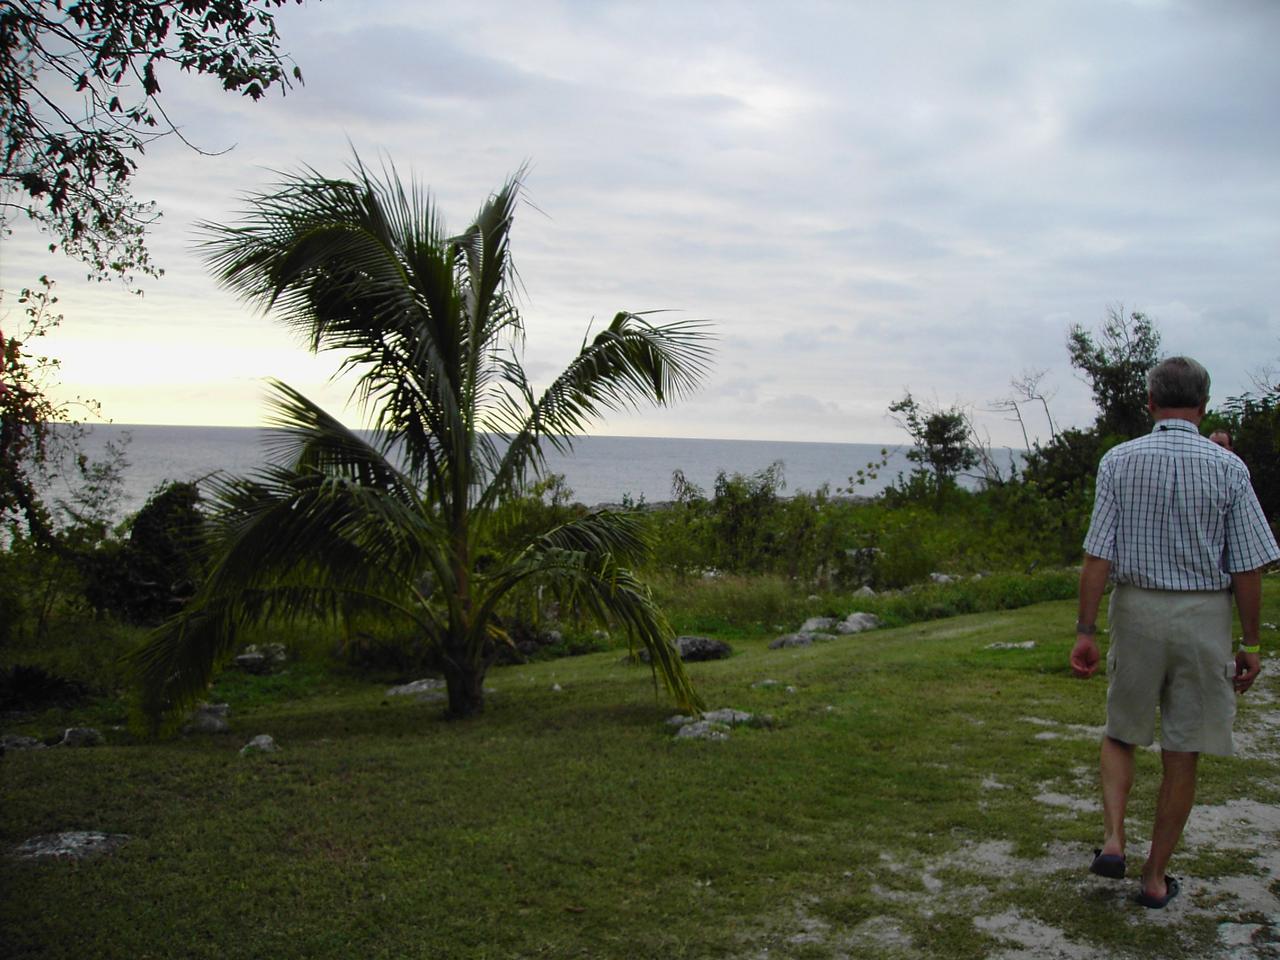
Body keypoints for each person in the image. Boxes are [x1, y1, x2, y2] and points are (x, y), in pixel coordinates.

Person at [1069, 356, 1280, 909]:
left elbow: (1097, 555)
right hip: (1203, 616)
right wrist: (1251, 643)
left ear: (1150, 401)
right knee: (1182, 749)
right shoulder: (1230, 469)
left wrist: (1085, 630)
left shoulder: (1118, 461)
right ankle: (1155, 877)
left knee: (1120, 731)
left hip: (1137, 610)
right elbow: (1249, 567)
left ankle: (1114, 838)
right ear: (1204, 405)